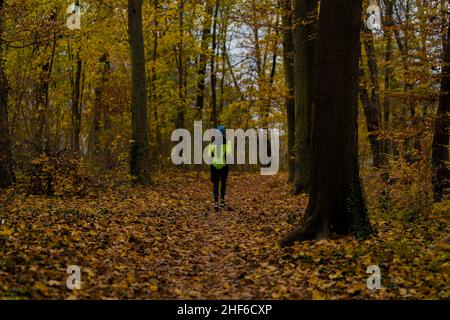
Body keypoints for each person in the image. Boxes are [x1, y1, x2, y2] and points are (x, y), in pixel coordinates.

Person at [208, 125, 232, 211]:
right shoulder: (227, 142)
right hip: (224, 166)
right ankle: (222, 200)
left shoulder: (212, 142)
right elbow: (229, 155)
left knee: (215, 184)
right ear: (224, 133)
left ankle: (216, 202)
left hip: (214, 166)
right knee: (223, 182)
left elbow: (210, 155)